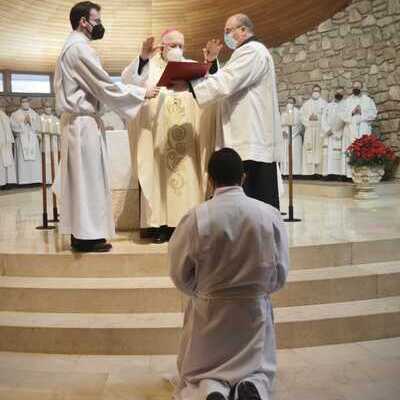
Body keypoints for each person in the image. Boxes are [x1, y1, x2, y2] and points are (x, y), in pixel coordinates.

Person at [169, 148, 289, 400]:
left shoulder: (196, 217)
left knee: (203, 371)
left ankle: (211, 389)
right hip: (253, 311)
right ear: (243, 177)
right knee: (257, 368)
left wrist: (204, 293)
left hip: (210, 313)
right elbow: (280, 273)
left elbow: (179, 273)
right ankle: (252, 386)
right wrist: (257, 292)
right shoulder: (268, 214)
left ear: (210, 179)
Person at [54, 1, 159, 252]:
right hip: (82, 123)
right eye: (97, 20)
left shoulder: (74, 46)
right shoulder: (78, 48)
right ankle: (86, 237)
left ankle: (85, 234)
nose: (99, 25)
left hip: (80, 122)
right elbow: (104, 86)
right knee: (86, 180)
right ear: (83, 21)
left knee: (84, 180)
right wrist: (141, 92)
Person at [171, 14, 283, 210]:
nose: (226, 35)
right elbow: (226, 77)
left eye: (229, 30)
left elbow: (226, 81)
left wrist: (190, 84)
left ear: (244, 30)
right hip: (248, 138)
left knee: (252, 206)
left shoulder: (253, 52)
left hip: (251, 140)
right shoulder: (246, 52)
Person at [121, 29, 219, 243]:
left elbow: (212, 89)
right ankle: (162, 226)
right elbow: (129, 81)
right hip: (159, 140)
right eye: (173, 45)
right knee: (159, 182)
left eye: (181, 45)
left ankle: (188, 223)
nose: (178, 49)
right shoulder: (150, 66)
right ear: (162, 47)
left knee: (188, 181)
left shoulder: (192, 67)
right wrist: (143, 58)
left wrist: (209, 64)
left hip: (187, 142)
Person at [339, 81, 378, 178]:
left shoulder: (368, 100)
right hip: (350, 129)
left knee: (363, 149)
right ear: (352, 88)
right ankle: (349, 175)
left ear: (362, 88)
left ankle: (362, 174)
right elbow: (341, 114)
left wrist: (362, 112)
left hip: (363, 128)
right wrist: (352, 113)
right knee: (349, 150)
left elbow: (373, 114)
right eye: (354, 87)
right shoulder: (347, 101)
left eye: (358, 87)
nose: (356, 88)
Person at [10, 97, 42, 185]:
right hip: (21, 140)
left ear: (29, 102)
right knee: (22, 160)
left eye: (27, 101)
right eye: (23, 102)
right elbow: (13, 127)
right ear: (20, 103)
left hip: (32, 140)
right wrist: (23, 122)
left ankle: (35, 180)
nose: (25, 103)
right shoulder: (15, 114)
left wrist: (31, 122)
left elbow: (39, 127)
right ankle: (23, 180)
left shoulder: (35, 114)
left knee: (34, 160)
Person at [300, 85, 328, 177]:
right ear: (312, 92)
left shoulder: (324, 104)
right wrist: (309, 118)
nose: (316, 92)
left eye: (318, 91)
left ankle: (319, 173)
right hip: (310, 130)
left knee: (319, 150)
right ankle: (309, 173)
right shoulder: (306, 104)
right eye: (314, 90)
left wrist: (318, 118)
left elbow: (327, 116)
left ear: (320, 92)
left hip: (320, 130)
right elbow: (301, 116)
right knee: (309, 149)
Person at [321, 87, 346, 179]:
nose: (338, 94)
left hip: (337, 133)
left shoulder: (345, 105)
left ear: (343, 95)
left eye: (341, 93)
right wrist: (327, 129)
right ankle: (327, 174)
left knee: (337, 155)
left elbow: (343, 119)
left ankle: (337, 174)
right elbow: (323, 118)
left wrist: (334, 130)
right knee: (327, 154)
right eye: (337, 92)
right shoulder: (328, 105)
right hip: (328, 134)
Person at [280, 97, 303, 176]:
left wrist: (290, 134)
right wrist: (283, 132)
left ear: (294, 104)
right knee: (285, 155)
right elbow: (280, 125)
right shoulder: (283, 113)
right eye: (288, 102)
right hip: (285, 138)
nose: (289, 104)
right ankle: (285, 173)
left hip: (295, 138)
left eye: (291, 102)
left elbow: (299, 126)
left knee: (294, 155)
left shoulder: (298, 113)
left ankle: (295, 173)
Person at [0, 107, 17, 188]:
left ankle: (7, 182)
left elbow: (7, 128)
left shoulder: (3, 115)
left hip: (5, 143)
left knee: (6, 163)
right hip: (3, 142)